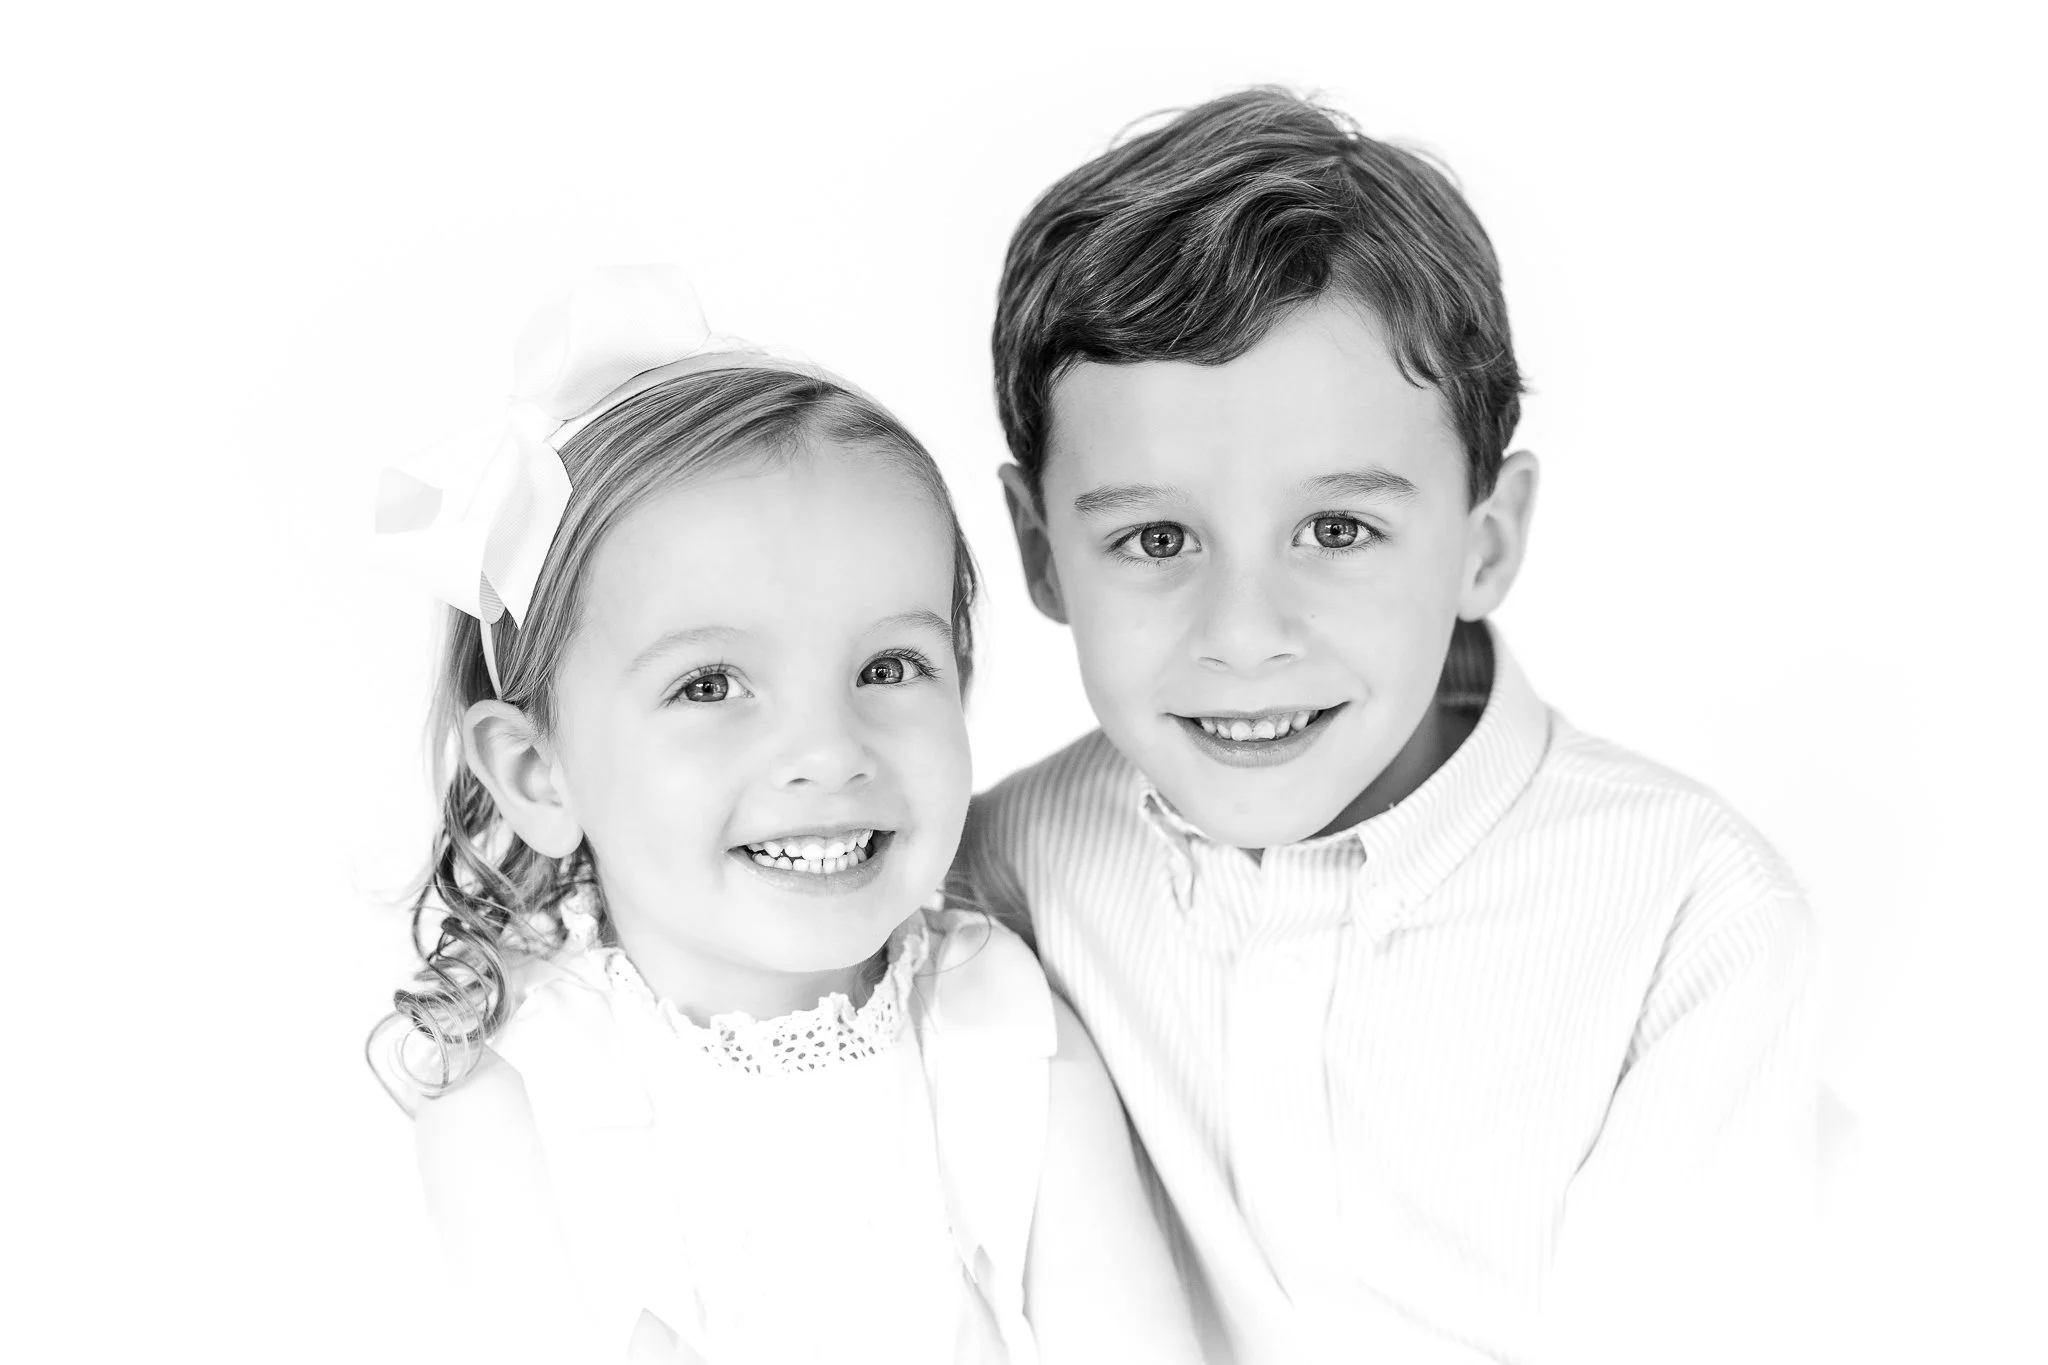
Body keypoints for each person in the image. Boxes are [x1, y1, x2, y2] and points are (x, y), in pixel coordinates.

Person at [959, 88, 1818, 1364]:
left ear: (1486, 540)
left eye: (1337, 529)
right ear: (1040, 552)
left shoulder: (1690, 918)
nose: (1242, 633)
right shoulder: (997, 877)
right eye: (1153, 538)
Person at [368, 266, 1198, 1364]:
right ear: (537, 774)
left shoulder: (1001, 1028)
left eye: (888, 667)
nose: (827, 751)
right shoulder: (522, 1099)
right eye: (709, 685)